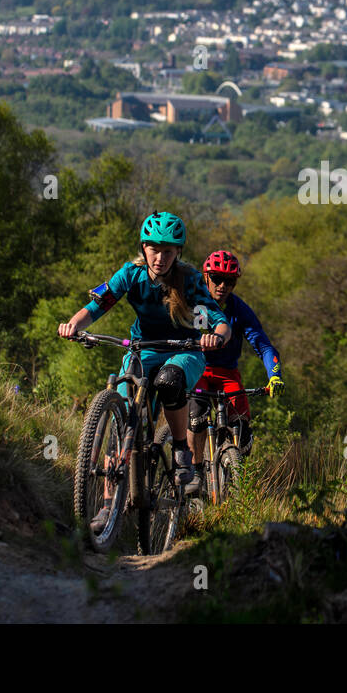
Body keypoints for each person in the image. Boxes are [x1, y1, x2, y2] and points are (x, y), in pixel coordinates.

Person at [58, 211, 230, 520]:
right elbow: (98, 305)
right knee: (122, 414)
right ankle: (108, 506)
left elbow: (217, 320)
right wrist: (73, 324)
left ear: (178, 252)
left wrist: (214, 337)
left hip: (185, 351)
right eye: (154, 248)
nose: (160, 257)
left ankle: (181, 450)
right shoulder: (130, 275)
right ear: (143, 247)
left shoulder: (189, 280)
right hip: (142, 349)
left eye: (168, 251)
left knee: (169, 380)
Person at [189, 249, 284, 485]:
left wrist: (274, 376)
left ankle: (233, 474)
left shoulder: (240, 309)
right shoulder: (195, 302)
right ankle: (195, 472)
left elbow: (264, 346)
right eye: (217, 279)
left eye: (229, 281)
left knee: (242, 429)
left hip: (226, 372)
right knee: (197, 416)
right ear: (206, 277)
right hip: (197, 368)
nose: (222, 286)